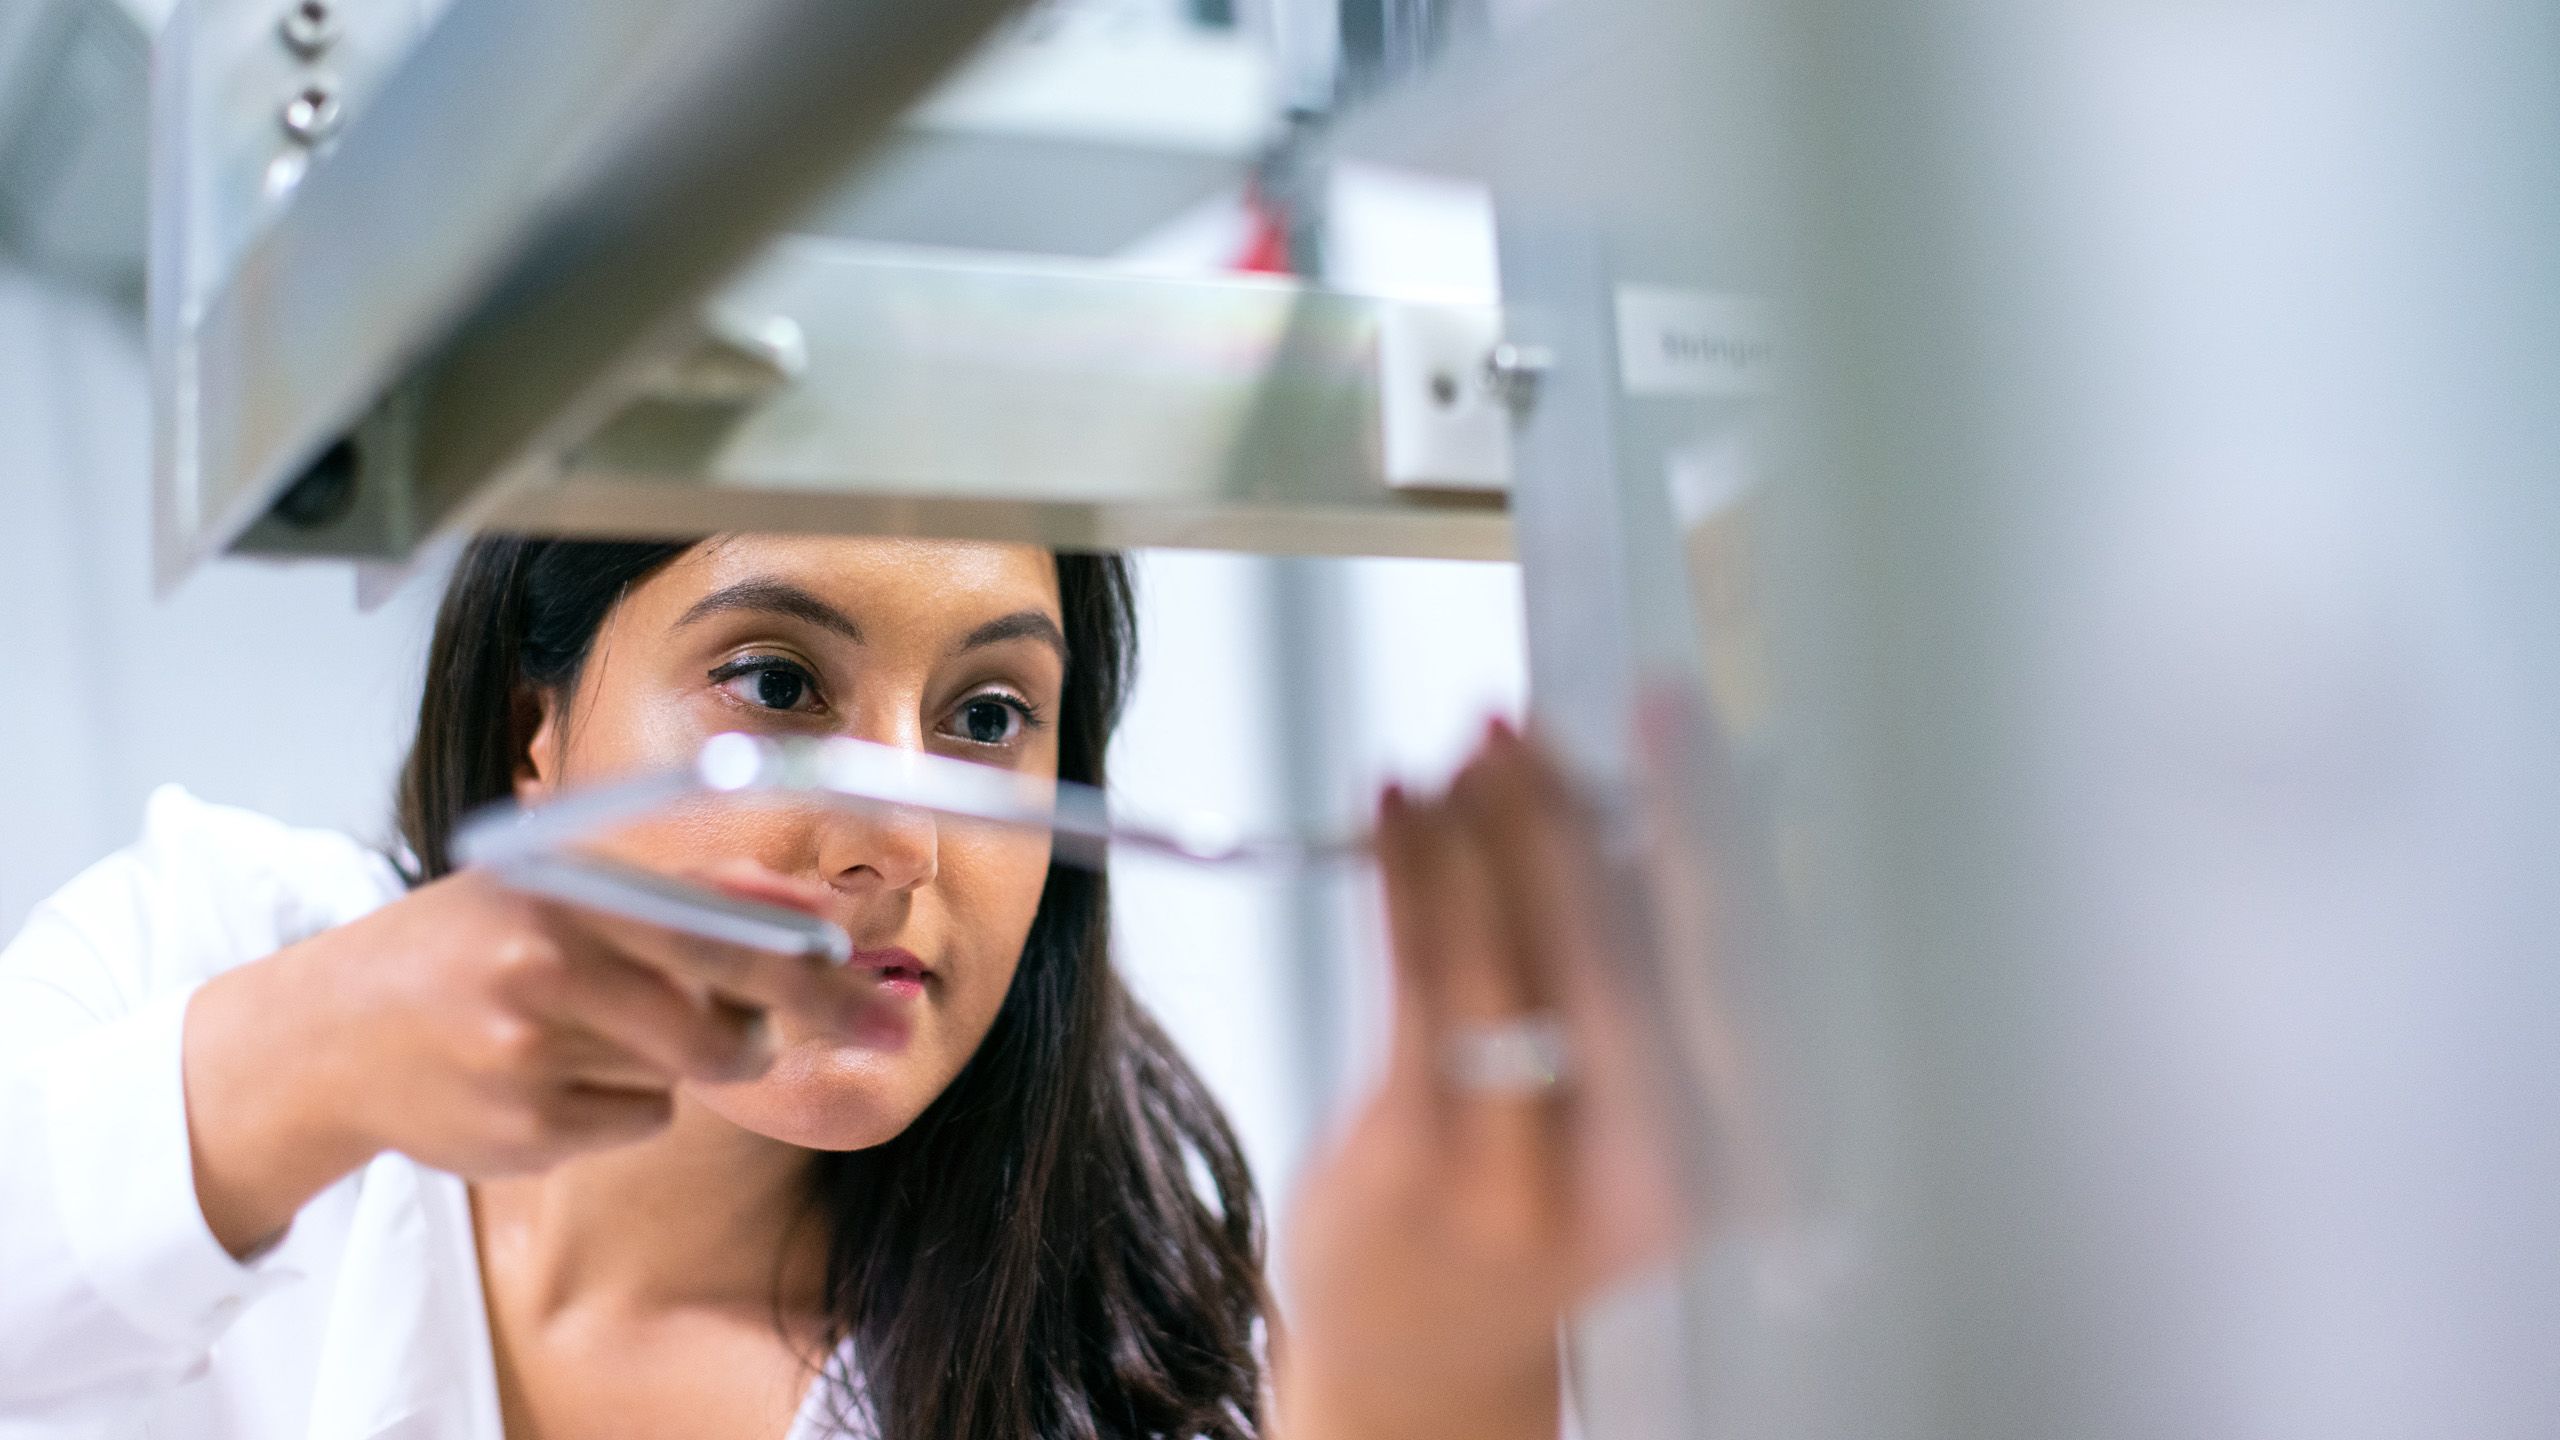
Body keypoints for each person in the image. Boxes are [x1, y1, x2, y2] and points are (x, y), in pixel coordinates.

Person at [0, 533, 1685, 1440]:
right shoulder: (212, 951)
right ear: (540, 735)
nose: (899, 837)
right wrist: (300, 1066)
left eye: (987, 719)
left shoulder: (1127, 1369)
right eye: (780, 680)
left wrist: (1426, 1383)